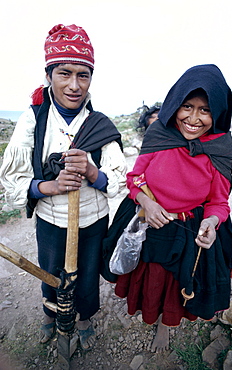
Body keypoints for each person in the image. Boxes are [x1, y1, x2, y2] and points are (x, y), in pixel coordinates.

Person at [0, 24, 127, 350]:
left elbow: (117, 181)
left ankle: (83, 319)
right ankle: (50, 314)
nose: (74, 85)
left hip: (93, 221)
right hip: (52, 223)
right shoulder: (33, 119)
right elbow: (10, 180)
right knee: (50, 270)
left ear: (90, 79)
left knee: (86, 277)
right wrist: (49, 187)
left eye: (83, 75)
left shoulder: (99, 124)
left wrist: (91, 171)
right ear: (49, 74)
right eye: (64, 73)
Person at [112, 64, 232, 352]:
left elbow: (219, 201)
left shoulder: (220, 147)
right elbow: (135, 179)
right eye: (187, 106)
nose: (193, 118)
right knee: (152, 276)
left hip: (190, 228)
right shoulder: (159, 133)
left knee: (176, 283)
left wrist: (211, 222)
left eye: (205, 110)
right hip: (152, 222)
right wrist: (146, 201)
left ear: (218, 111)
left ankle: (165, 326)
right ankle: (151, 312)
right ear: (175, 104)